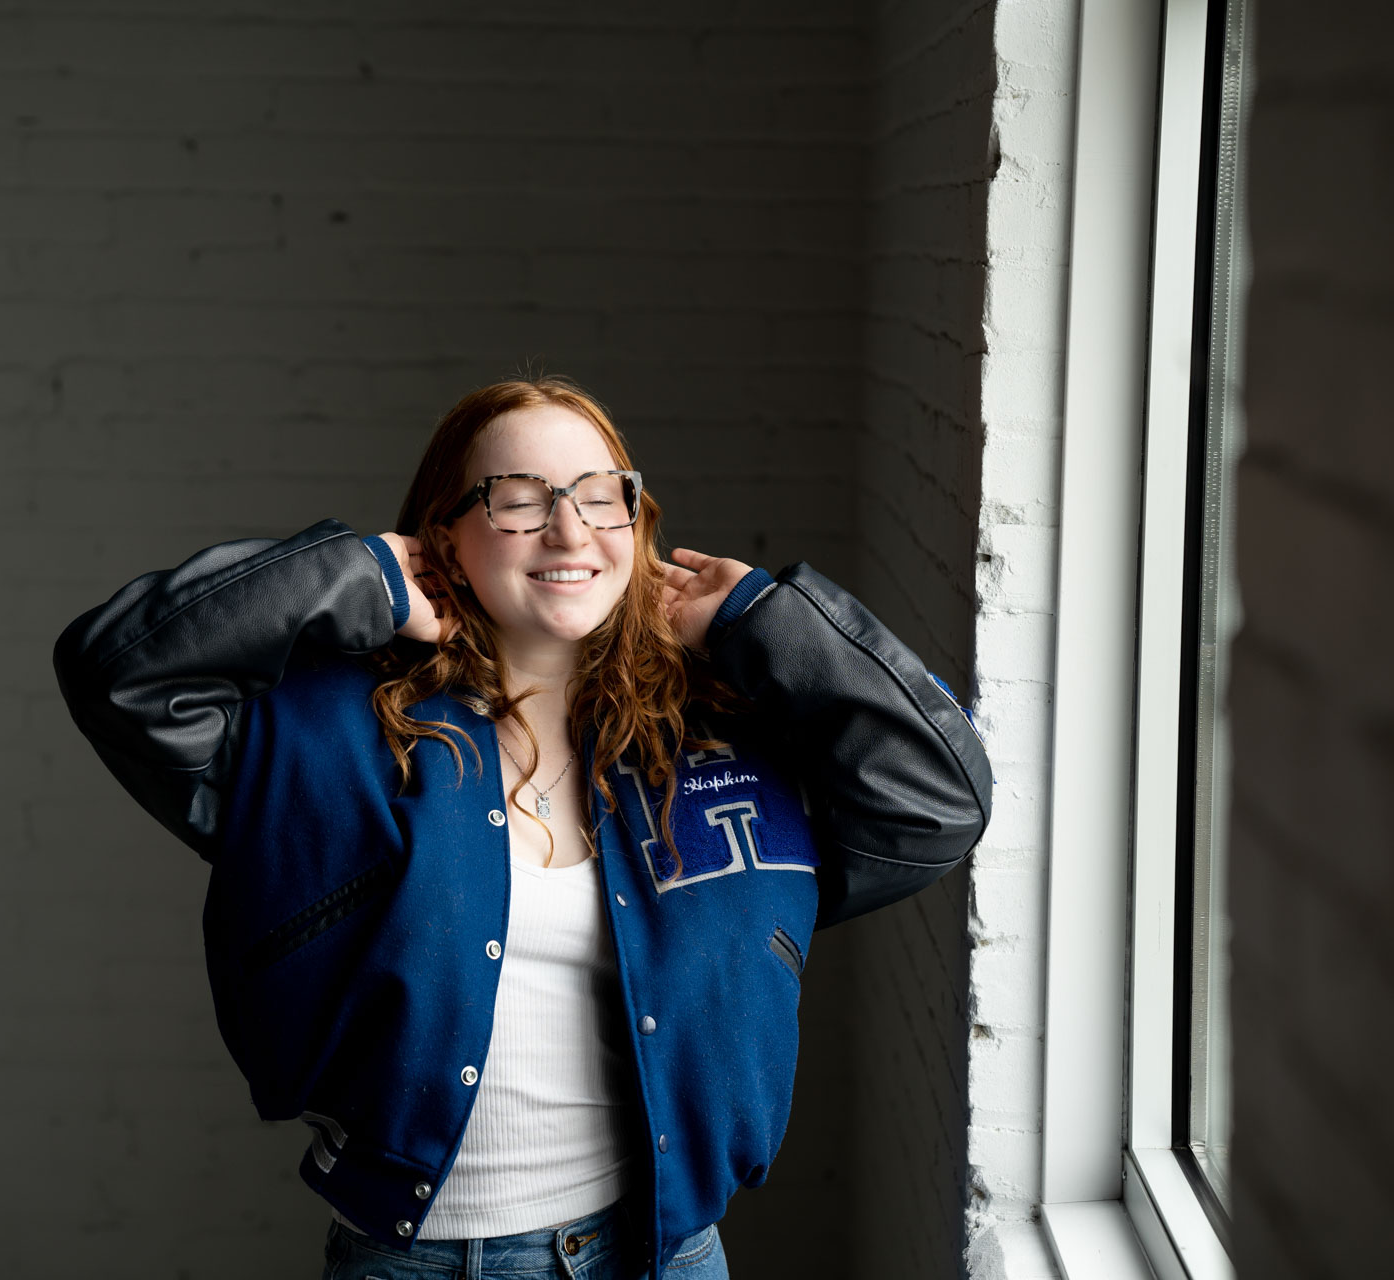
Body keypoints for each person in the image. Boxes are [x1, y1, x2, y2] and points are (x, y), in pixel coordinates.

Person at [52, 375, 993, 1280]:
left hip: (670, 1256)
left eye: (600, 495)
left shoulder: (713, 741)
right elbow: (117, 674)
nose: (570, 527)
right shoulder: (328, 740)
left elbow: (939, 799)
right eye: (518, 499)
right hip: (418, 1265)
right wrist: (356, 574)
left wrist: (770, 622)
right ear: (444, 537)